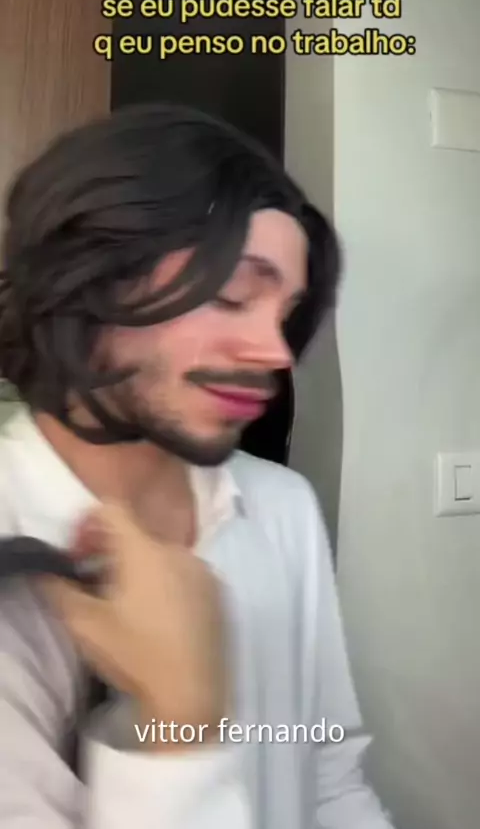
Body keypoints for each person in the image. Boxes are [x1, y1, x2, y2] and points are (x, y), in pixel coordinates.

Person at [0, 103, 394, 828]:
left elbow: (330, 774)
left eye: (285, 314)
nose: (277, 353)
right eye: (231, 295)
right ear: (89, 279)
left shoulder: (280, 505)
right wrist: (179, 724)